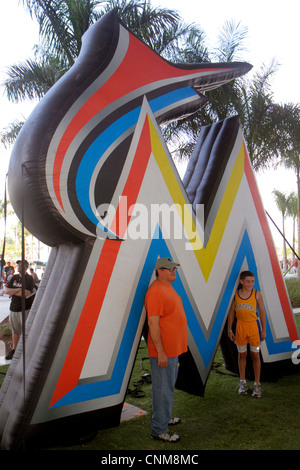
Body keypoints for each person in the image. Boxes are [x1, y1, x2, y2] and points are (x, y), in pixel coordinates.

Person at [144, 257, 187, 443]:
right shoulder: (155, 291)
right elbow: (152, 323)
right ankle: (159, 429)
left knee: (167, 387)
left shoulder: (166, 288)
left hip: (172, 350)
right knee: (162, 389)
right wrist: (160, 352)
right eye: (169, 269)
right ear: (159, 271)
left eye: (174, 268)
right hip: (164, 352)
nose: (173, 271)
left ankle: (164, 417)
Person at [227, 270, 266, 397]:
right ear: (242, 282)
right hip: (240, 327)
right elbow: (232, 312)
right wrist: (229, 329)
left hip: (254, 326)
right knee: (242, 354)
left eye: (252, 281)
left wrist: (264, 330)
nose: (251, 284)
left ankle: (257, 384)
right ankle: (242, 382)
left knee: (255, 355)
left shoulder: (257, 294)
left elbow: (262, 312)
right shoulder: (236, 295)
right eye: (248, 281)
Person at [5, 260, 36, 360]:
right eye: (18, 265)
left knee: (25, 331)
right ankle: (14, 350)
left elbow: (26, 293)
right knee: (15, 331)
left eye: (21, 265)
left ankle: (25, 351)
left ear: (26, 267)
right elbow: (7, 291)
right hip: (14, 308)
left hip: (25, 309)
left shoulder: (29, 279)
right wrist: (19, 290)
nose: (18, 267)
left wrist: (13, 292)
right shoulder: (14, 277)